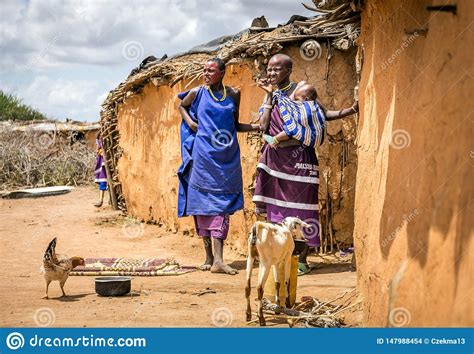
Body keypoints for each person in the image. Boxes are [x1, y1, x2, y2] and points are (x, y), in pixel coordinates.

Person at [253, 53, 358, 276]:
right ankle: (281, 258)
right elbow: (263, 126)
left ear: (289, 71)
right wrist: (270, 97)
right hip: (275, 160)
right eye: (269, 69)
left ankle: (301, 260)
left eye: (277, 69)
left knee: (302, 208)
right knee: (277, 210)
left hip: (300, 161)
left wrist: (349, 110)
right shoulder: (269, 95)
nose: (271, 73)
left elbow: (320, 114)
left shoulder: (300, 90)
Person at [177, 58, 259, 275]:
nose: (206, 74)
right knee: (202, 205)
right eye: (204, 70)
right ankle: (210, 257)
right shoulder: (197, 93)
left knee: (221, 205)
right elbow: (181, 105)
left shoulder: (233, 94)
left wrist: (256, 127)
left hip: (227, 158)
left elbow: (234, 124)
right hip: (203, 157)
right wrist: (190, 122)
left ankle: (219, 260)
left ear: (222, 72)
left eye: (211, 70)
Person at [94, 133, 108, 207]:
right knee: (103, 181)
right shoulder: (99, 139)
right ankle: (101, 200)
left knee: (110, 182)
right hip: (102, 163)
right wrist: (100, 152)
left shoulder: (105, 138)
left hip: (107, 162)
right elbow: (98, 149)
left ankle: (109, 200)